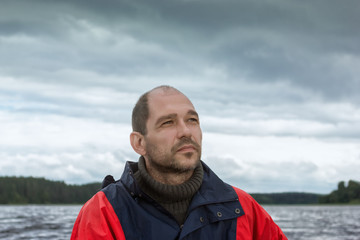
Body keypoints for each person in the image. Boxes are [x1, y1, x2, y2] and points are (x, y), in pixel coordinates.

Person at [71, 85, 287, 240]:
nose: (185, 131)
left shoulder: (242, 208)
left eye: (192, 120)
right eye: (168, 123)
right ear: (139, 143)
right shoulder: (104, 213)